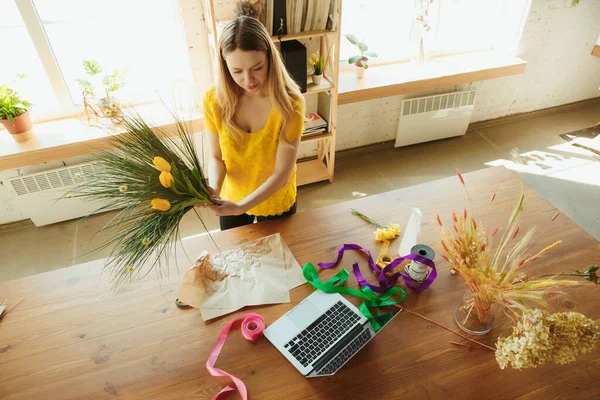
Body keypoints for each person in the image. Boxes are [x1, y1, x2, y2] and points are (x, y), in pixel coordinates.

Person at [200, 15, 305, 230]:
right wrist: (214, 188)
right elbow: (216, 157)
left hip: (275, 201)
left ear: (270, 59)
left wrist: (241, 207)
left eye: (257, 67)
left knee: (279, 260)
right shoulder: (214, 100)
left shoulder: (290, 104)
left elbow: (282, 174)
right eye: (237, 71)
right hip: (231, 198)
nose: (248, 80)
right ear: (224, 65)